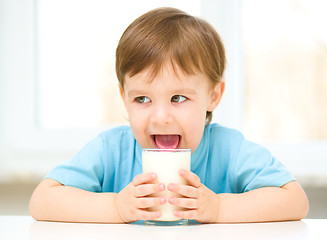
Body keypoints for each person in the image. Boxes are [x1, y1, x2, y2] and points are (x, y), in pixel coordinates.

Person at [29, 7, 309, 223]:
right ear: (123, 98)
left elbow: (296, 201)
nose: (160, 116)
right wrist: (115, 206)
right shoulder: (110, 150)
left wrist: (219, 207)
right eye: (142, 99)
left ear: (213, 96)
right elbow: (41, 201)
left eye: (178, 98)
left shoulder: (230, 150)